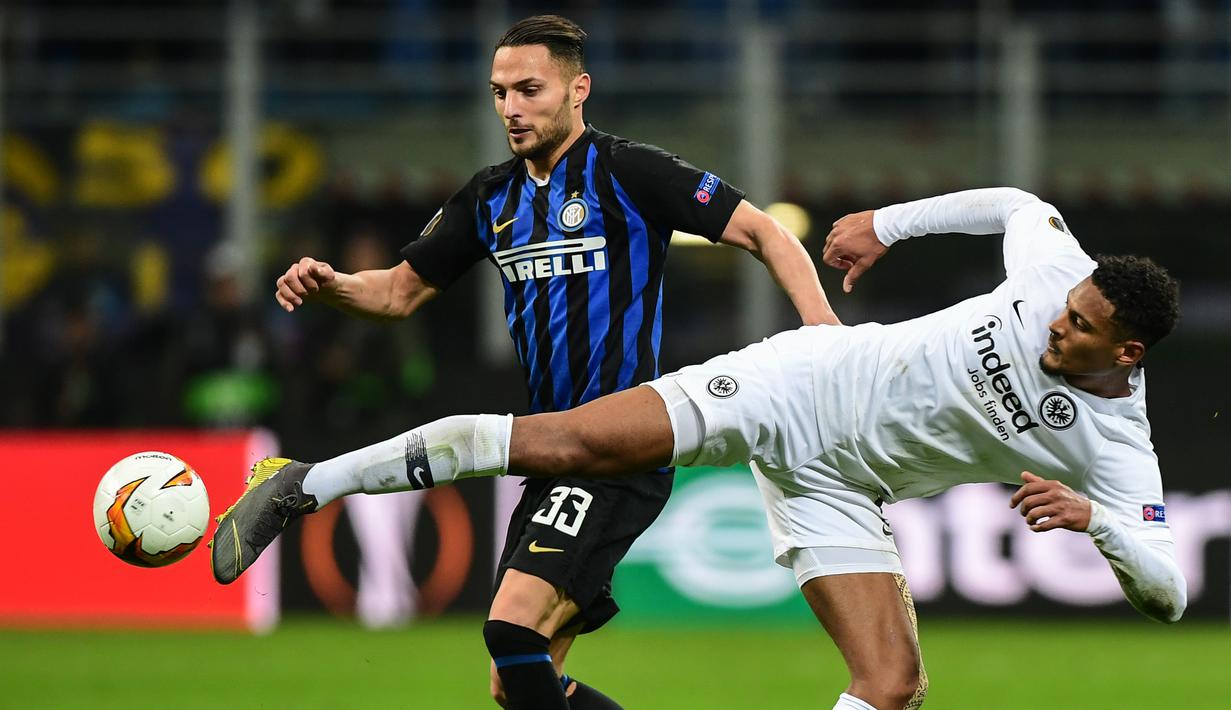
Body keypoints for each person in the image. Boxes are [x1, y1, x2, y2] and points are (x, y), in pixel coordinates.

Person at [212, 186, 1187, 709]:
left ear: (1126, 350)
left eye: (1081, 327)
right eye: (1067, 306)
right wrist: (886, 224)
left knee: (893, 686)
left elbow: (1168, 591)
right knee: (571, 442)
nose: (1059, 323)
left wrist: (1096, 520)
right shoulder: (1061, 275)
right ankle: (302, 482)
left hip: (843, 486)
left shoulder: (1114, 442)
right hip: (797, 381)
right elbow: (1018, 204)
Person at [211, 14, 837, 710]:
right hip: (548, 452)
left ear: (578, 90)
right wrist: (334, 286)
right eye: (498, 92)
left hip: (617, 451)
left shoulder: (627, 171)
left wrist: (821, 329)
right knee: (517, 682)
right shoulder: (488, 197)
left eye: (529, 89)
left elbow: (763, 229)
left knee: (510, 625)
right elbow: (396, 291)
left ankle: (305, 484)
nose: (511, 107)